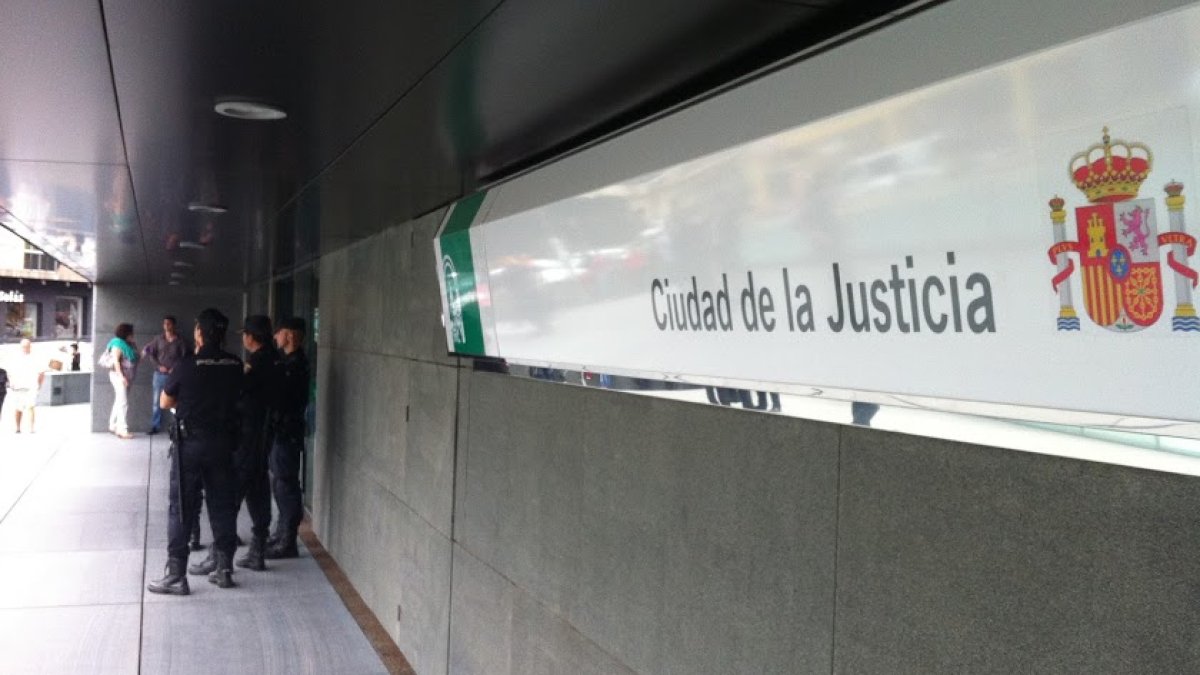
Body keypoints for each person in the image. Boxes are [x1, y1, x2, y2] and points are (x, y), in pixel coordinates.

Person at [147, 308, 243, 596]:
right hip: (224, 445)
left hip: (190, 446)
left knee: (182, 506)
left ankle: (176, 574)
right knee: (223, 505)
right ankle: (224, 567)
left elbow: (165, 402)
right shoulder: (235, 364)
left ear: (200, 332)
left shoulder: (188, 365)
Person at [266, 317, 310, 559]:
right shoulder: (287, 362)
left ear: (290, 335)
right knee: (280, 484)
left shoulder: (295, 365)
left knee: (286, 485)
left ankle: (288, 540)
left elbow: (281, 400)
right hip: (282, 432)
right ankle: (281, 533)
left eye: (279, 332)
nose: (276, 337)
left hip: (287, 433)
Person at [144, 316, 189, 434]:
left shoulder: (180, 341)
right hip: (159, 375)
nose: (166, 326)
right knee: (156, 401)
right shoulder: (158, 339)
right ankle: (155, 426)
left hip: (175, 375)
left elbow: (185, 357)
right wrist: (159, 366)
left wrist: (176, 368)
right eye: (165, 324)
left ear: (174, 325)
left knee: (177, 400)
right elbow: (150, 353)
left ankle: (178, 425)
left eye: (169, 324)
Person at [105, 324, 138, 439]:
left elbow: (135, 358)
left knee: (119, 400)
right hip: (118, 375)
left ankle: (113, 424)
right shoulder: (117, 344)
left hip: (124, 376)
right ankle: (122, 429)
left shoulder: (128, 344)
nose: (132, 335)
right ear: (126, 333)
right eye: (131, 333)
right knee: (123, 402)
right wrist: (122, 377)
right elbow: (116, 362)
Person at [8, 339, 45, 433]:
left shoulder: (35, 358)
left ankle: (31, 428)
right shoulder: (15, 358)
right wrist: (11, 383)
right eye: (23, 347)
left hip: (31, 386)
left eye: (27, 346)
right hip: (18, 387)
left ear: (30, 347)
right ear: (20, 347)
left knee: (31, 406)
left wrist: (39, 384)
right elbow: (10, 373)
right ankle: (17, 427)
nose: (25, 348)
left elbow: (41, 373)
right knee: (18, 408)